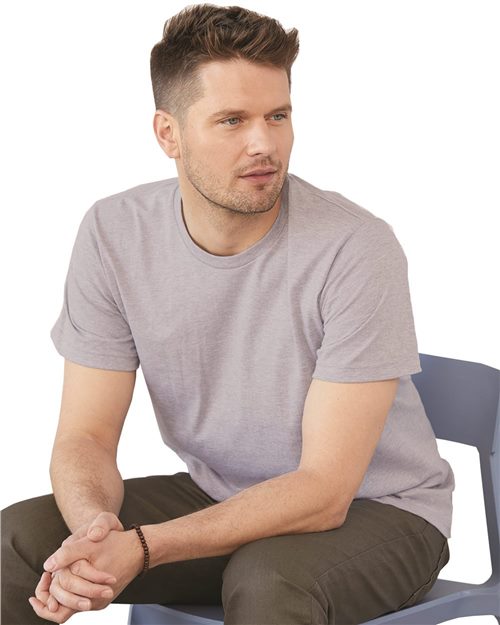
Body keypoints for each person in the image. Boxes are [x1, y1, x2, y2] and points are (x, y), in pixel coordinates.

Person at [1, 4, 455, 624]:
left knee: (267, 580)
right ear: (168, 134)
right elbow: (86, 437)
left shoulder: (354, 247)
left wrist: (143, 547)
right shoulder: (113, 234)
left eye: (278, 116)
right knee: (17, 540)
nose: (264, 143)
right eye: (232, 120)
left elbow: (324, 492)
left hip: (379, 510)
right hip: (222, 495)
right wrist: (94, 535)